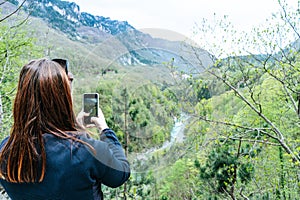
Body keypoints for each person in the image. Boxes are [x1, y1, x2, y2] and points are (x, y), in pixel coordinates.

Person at [0, 58, 130, 200]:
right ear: (63, 98)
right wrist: (105, 130)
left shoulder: (5, 150)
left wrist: (75, 128)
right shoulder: (87, 151)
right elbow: (120, 173)